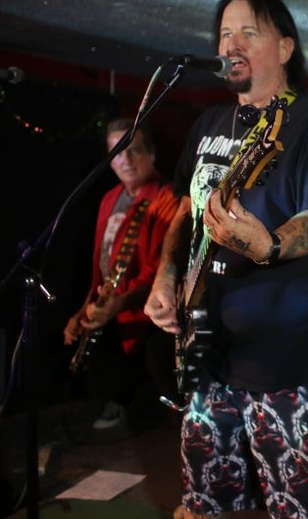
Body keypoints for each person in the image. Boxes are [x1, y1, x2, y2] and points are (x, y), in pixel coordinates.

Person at [144, 0, 308, 518]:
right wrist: (166, 278)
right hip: (209, 352)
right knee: (204, 502)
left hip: (293, 362)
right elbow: (185, 210)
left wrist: (269, 244)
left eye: (249, 33)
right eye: (225, 34)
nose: (232, 44)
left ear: (285, 48)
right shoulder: (208, 124)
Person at [63, 118, 179, 429]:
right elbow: (100, 266)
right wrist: (85, 308)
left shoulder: (168, 197)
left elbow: (160, 270)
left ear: (152, 153)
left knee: (157, 360)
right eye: (117, 153)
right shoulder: (109, 199)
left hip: (150, 311)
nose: (125, 160)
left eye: (134, 151)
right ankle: (119, 402)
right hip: (114, 304)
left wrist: (121, 303)